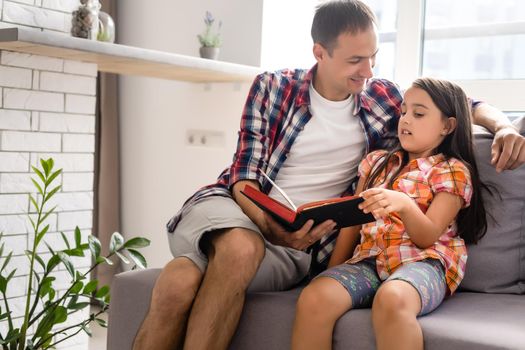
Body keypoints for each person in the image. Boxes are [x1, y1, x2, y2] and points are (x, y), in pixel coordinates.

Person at [133, 1, 525, 349]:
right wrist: (272, 229)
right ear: (320, 52)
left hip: (301, 237)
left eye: (373, 57)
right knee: (239, 247)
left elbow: (458, 102)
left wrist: (503, 126)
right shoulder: (273, 87)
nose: (368, 70)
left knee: (179, 281)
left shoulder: (380, 97)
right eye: (356, 60)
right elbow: (244, 178)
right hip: (237, 208)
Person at [291, 77, 490, 350]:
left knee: (392, 298)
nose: (406, 119)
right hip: (369, 262)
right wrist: (333, 271)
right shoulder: (376, 163)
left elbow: (428, 235)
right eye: (404, 111)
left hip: (425, 262)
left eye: (418, 114)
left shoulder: (451, 171)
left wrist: (405, 204)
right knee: (315, 296)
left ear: (448, 125)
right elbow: (352, 225)